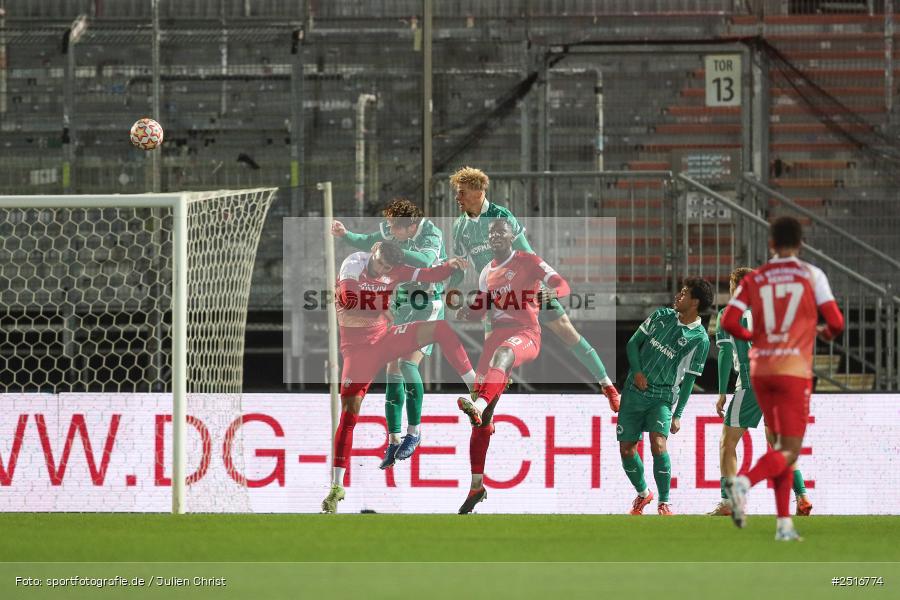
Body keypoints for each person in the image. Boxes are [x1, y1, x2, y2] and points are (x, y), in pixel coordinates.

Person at [448, 166, 620, 411]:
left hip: (528, 291)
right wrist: (451, 288)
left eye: (462, 192)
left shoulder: (501, 215)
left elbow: (527, 253)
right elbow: (460, 267)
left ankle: (607, 386)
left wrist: (539, 288)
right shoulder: (459, 227)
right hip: (496, 298)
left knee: (567, 331)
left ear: (478, 192)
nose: (457, 197)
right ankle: (484, 416)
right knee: (492, 358)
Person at [321, 241, 476, 514]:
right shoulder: (354, 263)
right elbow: (347, 300)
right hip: (358, 351)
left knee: (440, 328)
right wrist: (380, 304)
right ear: (374, 250)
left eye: (387, 267)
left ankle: (475, 386)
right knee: (349, 415)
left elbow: (428, 275)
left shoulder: (395, 270)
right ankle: (336, 487)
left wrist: (448, 267)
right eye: (379, 262)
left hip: (385, 339)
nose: (381, 268)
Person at [722, 216, 844, 541]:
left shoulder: (756, 278)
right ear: (800, 243)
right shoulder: (811, 274)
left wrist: (753, 337)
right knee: (789, 450)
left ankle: (784, 525)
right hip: (792, 370)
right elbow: (836, 322)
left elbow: (729, 321)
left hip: (760, 371)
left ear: (771, 244)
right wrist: (825, 333)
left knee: (778, 447)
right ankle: (743, 483)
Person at [455, 219, 571, 514]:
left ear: (512, 236)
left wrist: (552, 293)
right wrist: (468, 312)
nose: (495, 235)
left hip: (526, 334)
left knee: (503, 356)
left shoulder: (528, 261)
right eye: (491, 232)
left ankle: (479, 404)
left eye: (501, 231)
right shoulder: (486, 272)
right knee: (481, 422)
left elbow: (562, 284)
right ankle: (476, 486)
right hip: (495, 339)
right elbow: (484, 306)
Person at [332, 198, 446, 468]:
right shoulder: (392, 230)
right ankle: (394, 439)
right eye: (390, 227)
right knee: (393, 369)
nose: (390, 231)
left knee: (407, 364)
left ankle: (414, 433)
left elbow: (426, 261)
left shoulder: (431, 234)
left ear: (411, 227)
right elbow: (370, 240)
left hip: (427, 304)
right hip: (402, 304)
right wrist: (346, 235)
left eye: (395, 228)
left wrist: (392, 251)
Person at [710, 267, 813, 517]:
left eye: (732, 287)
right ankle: (801, 496)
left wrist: (722, 392)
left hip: (752, 382)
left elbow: (725, 354)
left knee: (727, 442)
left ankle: (729, 501)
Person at [618, 278, 713, 516]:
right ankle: (643, 494)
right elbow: (632, 344)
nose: (678, 296)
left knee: (658, 443)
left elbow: (689, 379)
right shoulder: (661, 315)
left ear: (695, 302)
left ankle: (664, 502)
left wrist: (678, 414)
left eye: (684, 293)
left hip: (662, 396)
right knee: (627, 449)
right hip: (634, 390)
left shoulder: (700, 339)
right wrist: (637, 372)